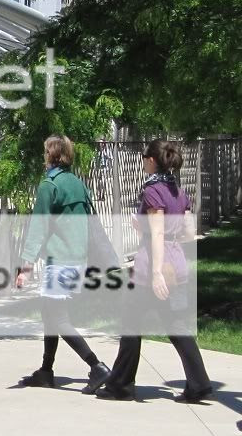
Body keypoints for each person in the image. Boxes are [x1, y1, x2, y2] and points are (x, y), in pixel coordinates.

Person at [96, 140, 212, 403]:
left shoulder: (152, 191)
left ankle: (121, 385)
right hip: (176, 263)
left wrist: (156, 272)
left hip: (152, 267)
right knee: (176, 324)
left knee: (130, 323)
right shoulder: (178, 191)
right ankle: (199, 384)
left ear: (151, 160)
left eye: (144, 157)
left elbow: (158, 232)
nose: (142, 161)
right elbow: (187, 232)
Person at [15, 135, 110, 393]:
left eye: (46, 151)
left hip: (59, 261)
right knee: (50, 315)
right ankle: (46, 371)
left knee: (58, 318)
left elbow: (39, 227)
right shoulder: (77, 183)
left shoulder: (50, 185)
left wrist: (25, 266)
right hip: (77, 259)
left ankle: (97, 366)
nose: (43, 155)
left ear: (52, 155)